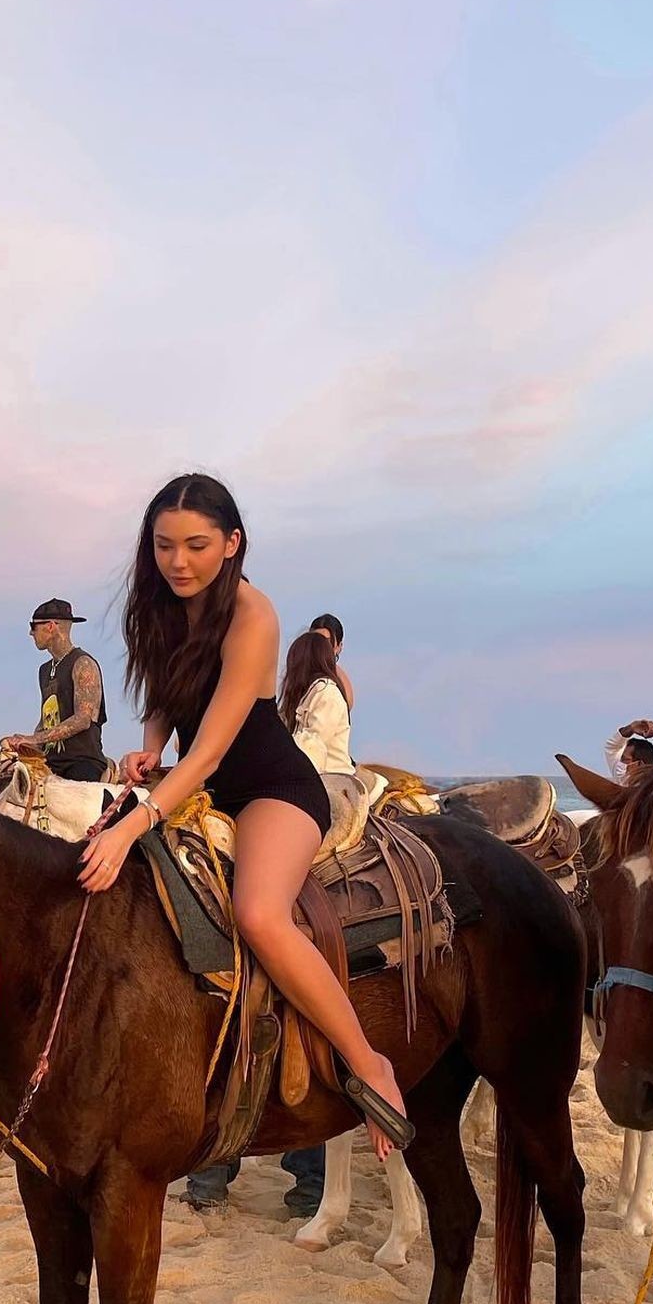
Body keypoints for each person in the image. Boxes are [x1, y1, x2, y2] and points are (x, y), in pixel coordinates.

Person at [78, 473, 411, 1174]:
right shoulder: (164, 604)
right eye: (164, 545)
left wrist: (135, 821)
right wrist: (149, 747)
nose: (178, 561)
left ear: (232, 543)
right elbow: (167, 695)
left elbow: (211, 750)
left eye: (197, 546)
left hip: (270, 788)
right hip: (198, 784)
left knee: (259, 914)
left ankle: (367, 1061)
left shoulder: (253, 615)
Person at [3, 599, 109, 781]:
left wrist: (34, 739)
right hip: (50, 762)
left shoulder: (83, 663)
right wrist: (23, 743)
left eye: (34, 626)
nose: (31, 632)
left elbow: (83, 719)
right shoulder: (44, 670)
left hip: (81, 762)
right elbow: (47, 719)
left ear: (51, 626)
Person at [282, 626, 355, 776]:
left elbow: (314, 746)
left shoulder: (326, 692)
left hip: (331, 776)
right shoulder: (304, 694)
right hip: (310, 774)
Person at [309, 613, 355, 716]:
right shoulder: (300, 673)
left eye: (327, 642)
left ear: (339, 647)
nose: (321, 647)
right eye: (316, 641)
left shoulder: (339, 681)